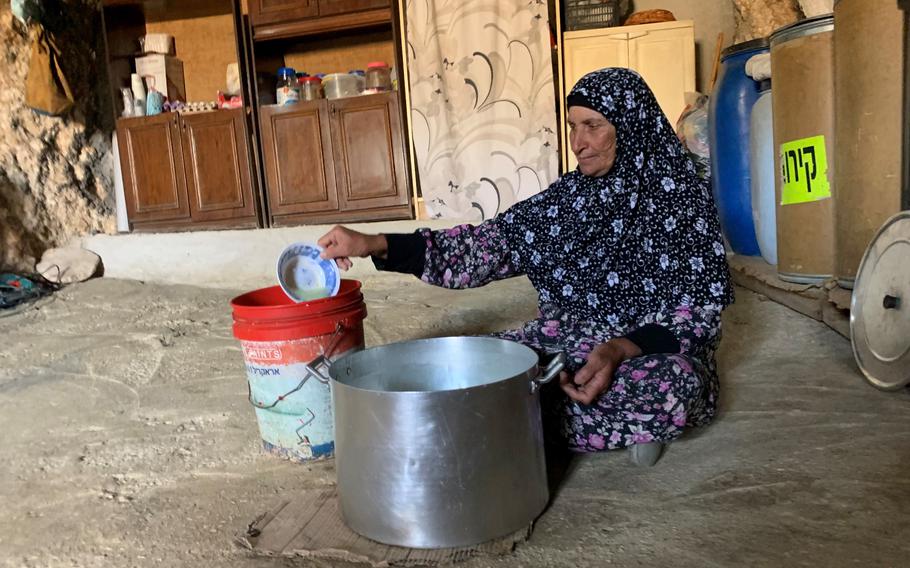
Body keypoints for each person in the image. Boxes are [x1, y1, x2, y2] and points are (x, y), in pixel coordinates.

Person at [318, 68, 734, 466]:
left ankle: (507, 422)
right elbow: (479, 251)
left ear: (630, 127)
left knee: (674, 385)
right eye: (573, 126)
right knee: (475, 361)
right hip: (567, 341)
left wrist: (617, 349)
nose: (577, 142)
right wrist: (374, 242)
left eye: (593, 126)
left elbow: (699, 319)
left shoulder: (681, 202)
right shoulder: (566, 201)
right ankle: (551, 419)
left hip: (640, 352)